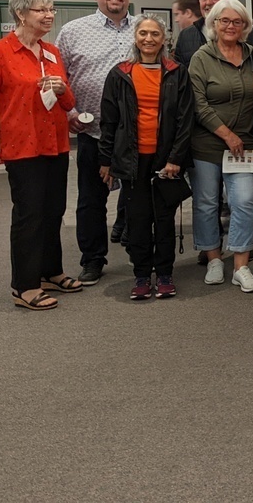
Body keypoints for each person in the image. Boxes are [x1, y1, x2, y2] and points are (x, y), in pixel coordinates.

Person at [0, 0, 80, 310]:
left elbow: (69, 103)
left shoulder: (52, 52)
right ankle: (24, 286)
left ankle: (50, 272)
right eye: (41, 10)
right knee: (29, 216)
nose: (49, 16)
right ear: (20, 13)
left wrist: (62, 89)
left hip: (57, 144)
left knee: (54, 212)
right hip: (23, 147)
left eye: (51, 10)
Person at [98, 16, 194, 300]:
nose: (148, 39)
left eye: (154, 33)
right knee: (138, 221)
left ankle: (164, 273)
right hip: (131, 162)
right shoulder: (120, 74)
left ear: (164, 39)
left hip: (165, 162)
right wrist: (106, 161)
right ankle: (141, 275)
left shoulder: (177, 72)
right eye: (143, 33)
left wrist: (176, 158)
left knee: (163, 220)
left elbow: (184, 120)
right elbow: (109, 122)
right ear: (135, 37)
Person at [56, 0, 134, 285]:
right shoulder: (73, 31)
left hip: (134, 134)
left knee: (138, 197)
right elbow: (58, 78)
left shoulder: (144, 29)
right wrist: (69, 112)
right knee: (91, 202)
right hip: (93, 132)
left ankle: (143, 256)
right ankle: (93, 260)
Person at [189, 0, 253, 293]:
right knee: (206, 203)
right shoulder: (201, 57)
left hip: (244, 146)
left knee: (245, 200)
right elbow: (198, 104)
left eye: (237, 22)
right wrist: (226, 135)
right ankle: (214, 258)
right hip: (207, 143)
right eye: (225, 21)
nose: (231, 26)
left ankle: (241, 265)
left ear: (245, 26)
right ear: (214, 24)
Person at [175, 0, 253, 69]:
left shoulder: (250, 34)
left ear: (227, 0)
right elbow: (180, 75)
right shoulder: (186, 36)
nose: (208, 2)